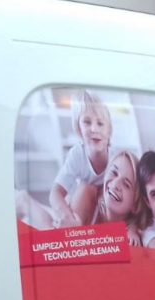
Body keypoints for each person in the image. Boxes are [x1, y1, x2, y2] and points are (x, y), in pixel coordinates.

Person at [49, 90, 113, 227]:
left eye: (100, 123)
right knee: (85, 189)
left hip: (103, 208)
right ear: (79, 129)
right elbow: (55, 193)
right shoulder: (77, 154)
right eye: (87, 122)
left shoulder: (116, 158)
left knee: (100, 194)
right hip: (81, 209)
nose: (94, 129)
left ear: (109, 131)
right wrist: (68, 217)